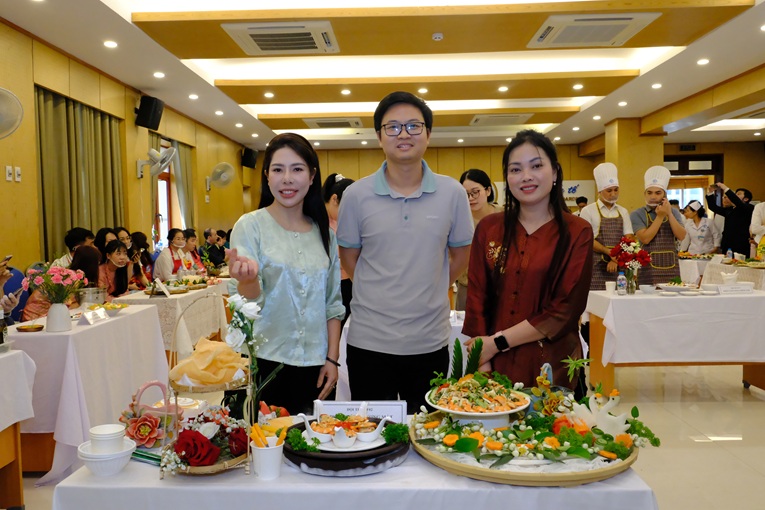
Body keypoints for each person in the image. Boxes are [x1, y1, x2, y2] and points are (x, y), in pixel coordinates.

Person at [337, 91, 474, 413]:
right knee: (371, 434)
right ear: (379, 136)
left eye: (413, 126)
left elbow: (461, 255)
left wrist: (431, 284)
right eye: (393, 127)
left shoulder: (452, 192)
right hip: (369, 342)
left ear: (428, 133)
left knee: (429, 433)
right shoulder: (356, 195)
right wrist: (381, 288)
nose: (403, 134)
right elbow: (349, 258)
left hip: (430, 341)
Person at [462, 129, 593, 388]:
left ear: (555, 172)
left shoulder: (578, 231)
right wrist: (483, 362)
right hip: (495, 365)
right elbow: (477, 297)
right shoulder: (489, 228)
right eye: (515, 169)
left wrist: (497, 342)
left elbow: (565, 309)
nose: (526, 176)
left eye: (536, 166)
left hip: (552, 365)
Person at [228, 133, 345, 414]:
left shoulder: (325, 234)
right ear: (267, 176)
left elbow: (333, 304)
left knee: (314, 439)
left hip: (316, 365)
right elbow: (246, 304)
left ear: (312, 176)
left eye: (297, 169)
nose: (287, 179)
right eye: (278, 170)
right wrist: (248, 280)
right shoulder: (250, 226)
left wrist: (332, 360)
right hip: (264, 362)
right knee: (262, 440)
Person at [580, 163, 634, 290]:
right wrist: (609, 252)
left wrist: (615, 259)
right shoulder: (588, 211)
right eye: (609, 191)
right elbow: (587, 240)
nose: (613, 194)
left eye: (616, 190)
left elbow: (629, 238)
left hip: (619, 266)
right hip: (595, 266)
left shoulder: (623, 211)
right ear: (599, 191)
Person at [630, 166, 686, 285]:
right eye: (649, 193)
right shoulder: (637, 214)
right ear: (645, 194)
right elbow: (645, 238)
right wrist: (660, 216)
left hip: (671, 265)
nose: (653, 197)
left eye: (658, 193)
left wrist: (669, 213)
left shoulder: (674, 212)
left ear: (664, 195)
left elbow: (681, 236)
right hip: (647, 268)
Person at [455, 168, 501, 310]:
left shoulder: (505, 216)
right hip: (468, 287)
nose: (470, 198)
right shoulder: (458, 220)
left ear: (488, 191)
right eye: (466, 194)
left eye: (475, 192)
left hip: (501, 286)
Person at [22, 245, 101, 321]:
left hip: (50, 314)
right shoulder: (71, 279)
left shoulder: (72, 274)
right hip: (36, 318)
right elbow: (67, 307)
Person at [322, 172, 356, 329]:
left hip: (347, 282)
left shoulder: (341, 220)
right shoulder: (319, 223)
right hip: (327, 285)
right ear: (334, 199)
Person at [706, 182, 755, 257]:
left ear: (746, 199)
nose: (735, 195)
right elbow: (713, 207)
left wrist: (724, 187)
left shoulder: (749, 208)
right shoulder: (730, 209)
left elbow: (738, 202)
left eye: (738, 194)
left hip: (741, 245)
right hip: (727, 244)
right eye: (735, 193)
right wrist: (710, 192)